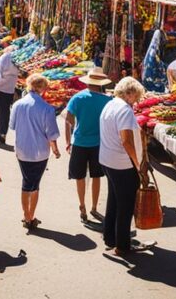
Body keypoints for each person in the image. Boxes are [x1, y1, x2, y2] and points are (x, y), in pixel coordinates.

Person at [99, 76, 150, 256]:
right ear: (128, 93)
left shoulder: (110, 105)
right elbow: (126, 141)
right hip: (121, 164)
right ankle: (122, 245)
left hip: (108, 159)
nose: (136, 101)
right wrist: (138, 165)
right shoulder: (124, 110)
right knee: (125, 205)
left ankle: (110, 237)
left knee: (114, 200)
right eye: (135, 97)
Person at [9, 74, 60, 230]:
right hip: (40, 152)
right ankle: (30, 215)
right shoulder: (47, 108)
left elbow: (13, 126)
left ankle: (27, 216)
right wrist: (55, 149)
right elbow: (51, 133)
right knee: (35, 184)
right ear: (42, 88)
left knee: (26, 182)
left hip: (23, 149)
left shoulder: (18, 105)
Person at [64, 68, 113, 224]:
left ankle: (82, 205)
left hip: (79, 142)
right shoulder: (108, 101)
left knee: (80, 176)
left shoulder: (77, 98)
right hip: (99, 144)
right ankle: (93, 207)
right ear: (101, 84)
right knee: (96, 176)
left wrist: (68, 141)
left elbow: (69, 120)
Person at [0, 46, 20, 144]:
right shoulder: (18, 59)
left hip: (1, 87)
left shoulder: (5, 57)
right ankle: (2, 133)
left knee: (2, 111)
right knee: (5, 110)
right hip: (10, 88)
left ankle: (1, 134)